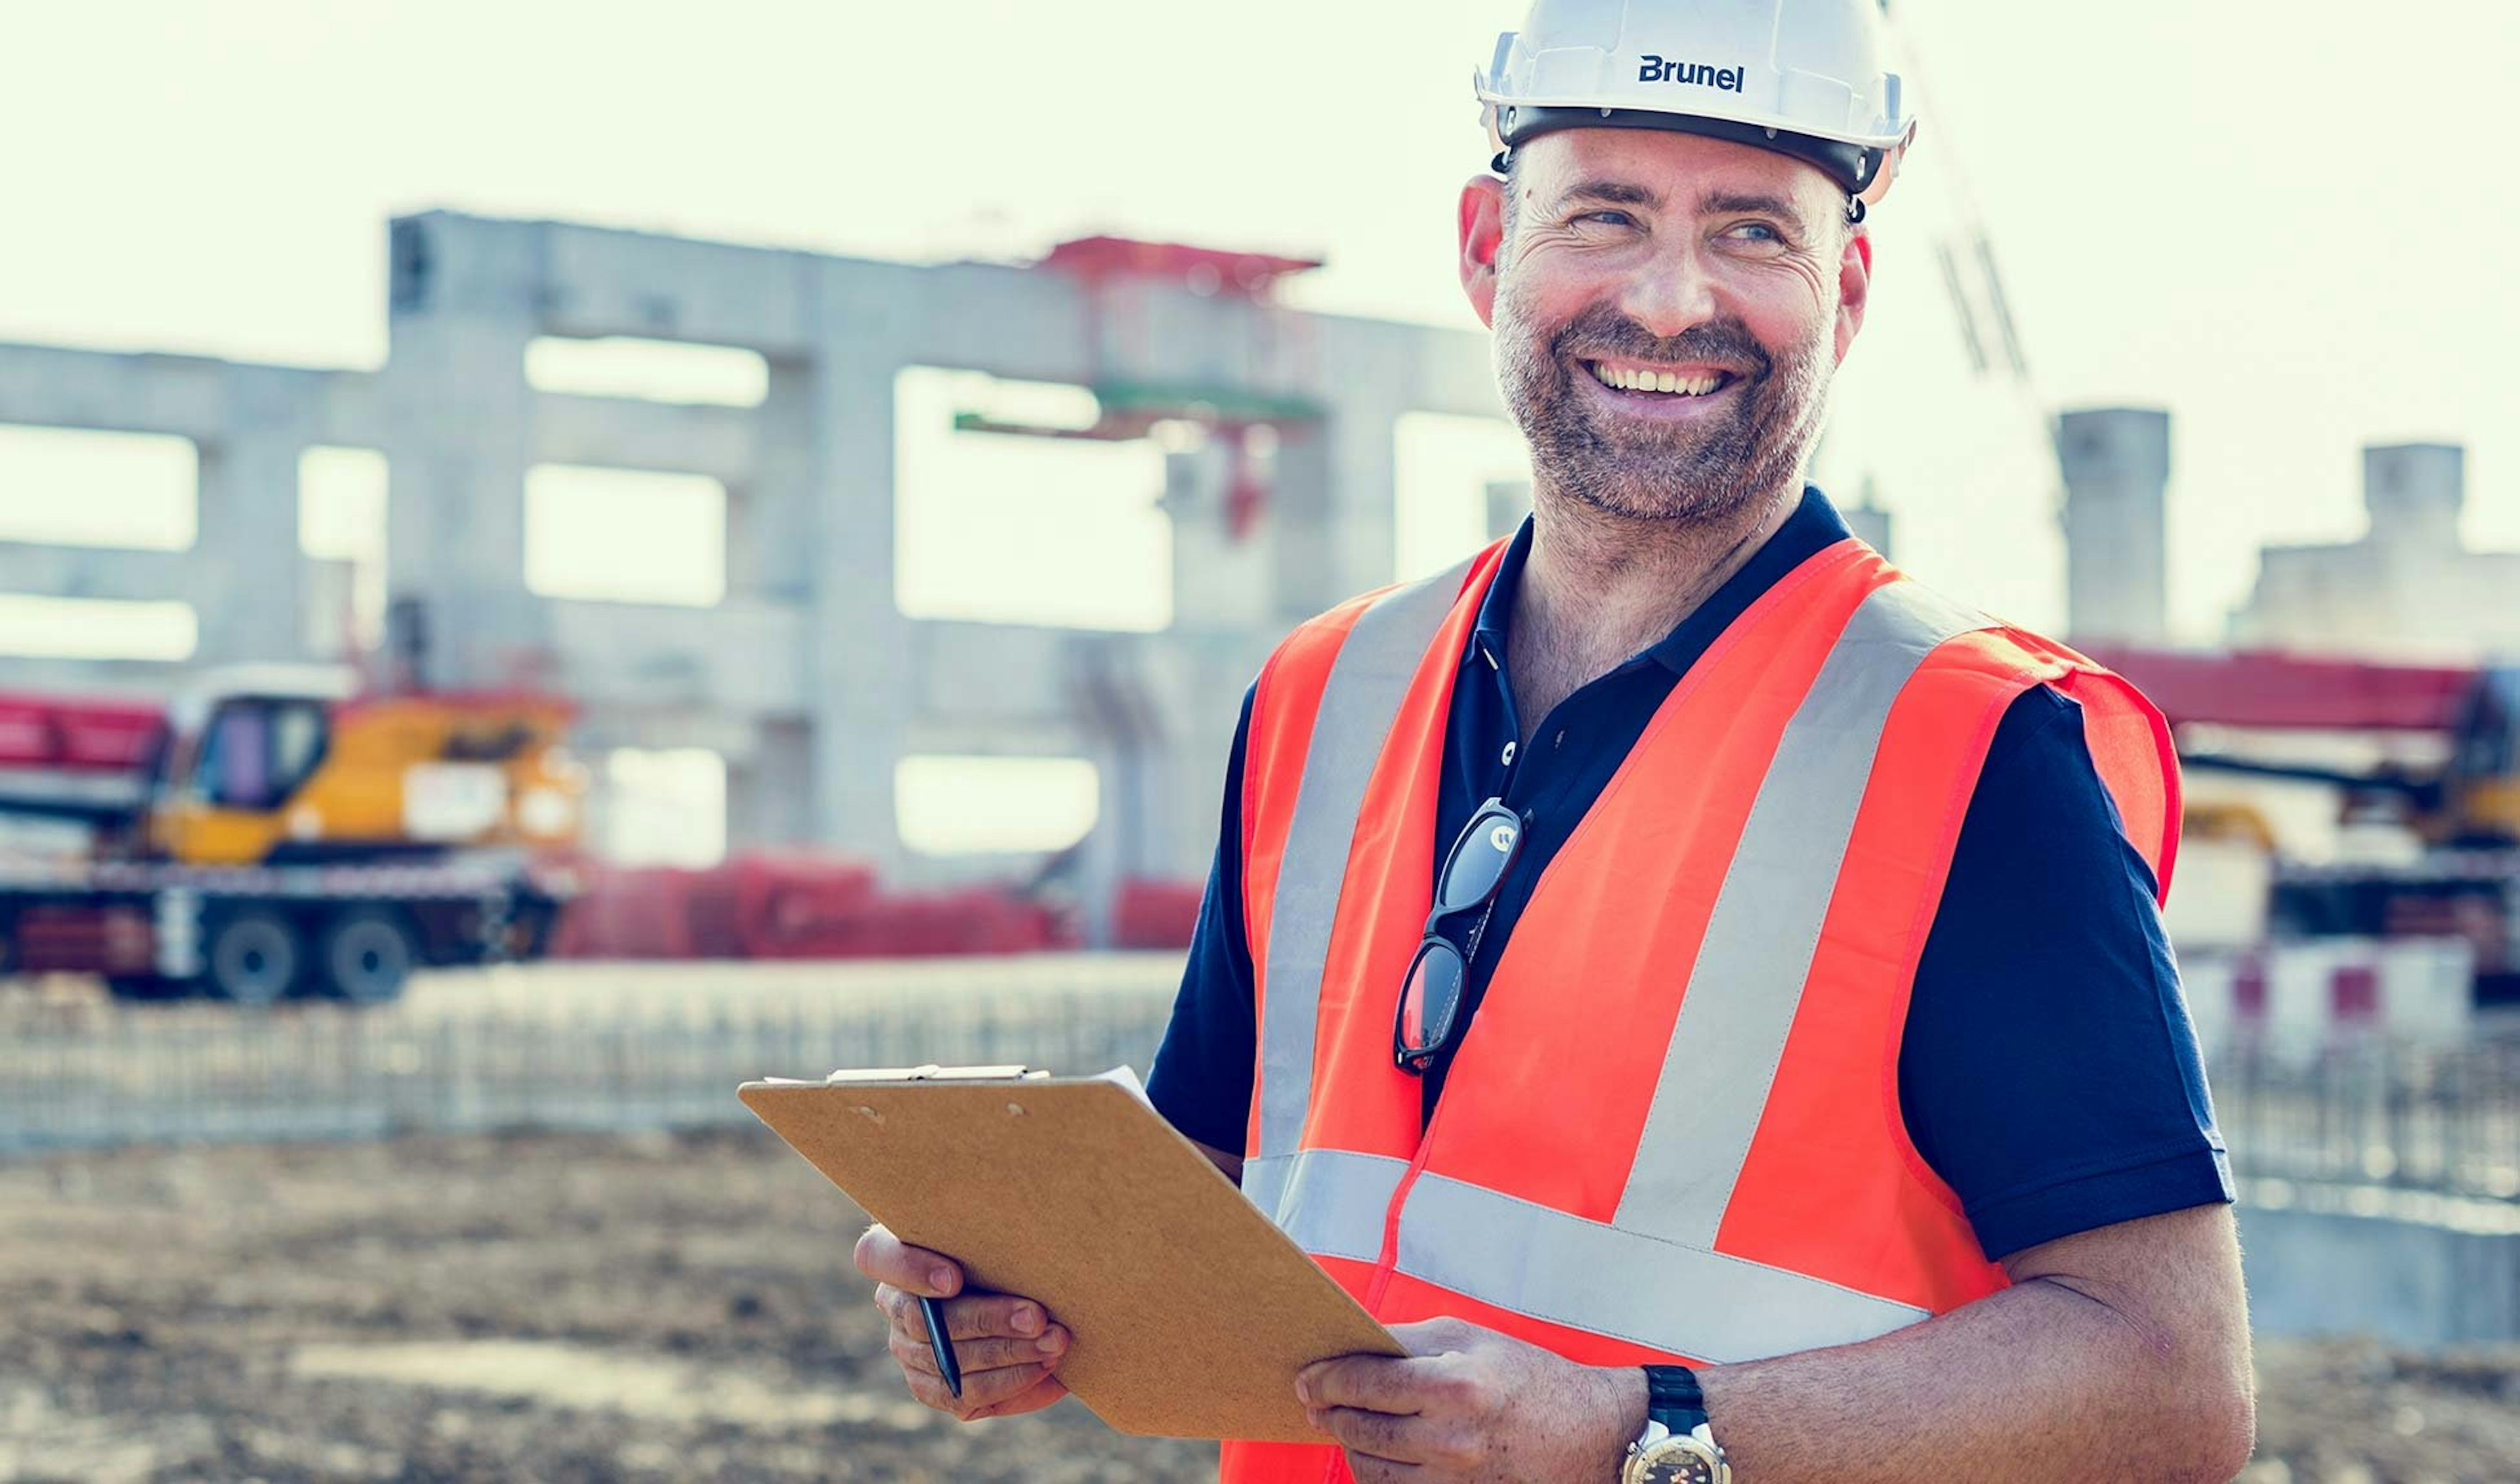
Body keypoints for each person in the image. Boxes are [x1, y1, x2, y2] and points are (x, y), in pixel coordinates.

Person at [858, 1, 2256, 1478]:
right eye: (1603, 216)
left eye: (1752, 233)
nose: (1667, 302)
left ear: (1846, 290)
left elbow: (2170, 1382)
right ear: (1485, 248)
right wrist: (1031, 1290)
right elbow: (1229, 1170)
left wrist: (1641, 1434)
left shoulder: (1973, 746)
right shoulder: (1323, 695)